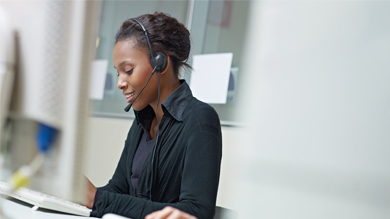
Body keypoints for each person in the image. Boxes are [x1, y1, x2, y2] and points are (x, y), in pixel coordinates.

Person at [85, 12, 222, 219]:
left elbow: (196, 211)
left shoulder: (200, 119)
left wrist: (98, 199)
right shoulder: (142, 122)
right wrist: (76, 195)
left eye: (128, 70)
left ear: (161, 63)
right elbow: (118, 188)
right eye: (118, 73)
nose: (120, 83)